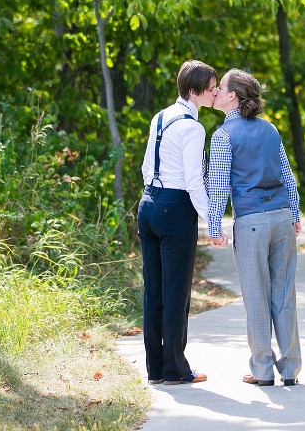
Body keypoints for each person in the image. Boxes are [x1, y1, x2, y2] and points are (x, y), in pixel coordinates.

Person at [207, 68, 302, 387]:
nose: (215, 91)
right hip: (282, 218)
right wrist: (296, 212)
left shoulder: (222, 136)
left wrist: (214, 225)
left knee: (257, 297)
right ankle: (289, 369)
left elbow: (219, 187)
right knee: (284, 294)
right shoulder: (271, 129)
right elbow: (288, 176)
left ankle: (262, 370)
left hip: (251, 223)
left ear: (232, 95)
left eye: (220, 88)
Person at [137, 60, 217, 385]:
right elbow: (194, 181)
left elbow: (146, 167)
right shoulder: (193, 128)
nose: (215, 94)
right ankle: (176, 370)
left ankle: (155, 369)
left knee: (153, 290)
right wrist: (212, 221)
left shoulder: (160, 117)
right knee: (176, 291)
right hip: (175, 207)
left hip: (148, 204)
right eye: (211, 89)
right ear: (195, 91)